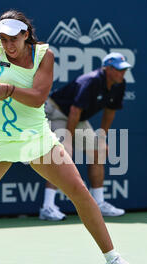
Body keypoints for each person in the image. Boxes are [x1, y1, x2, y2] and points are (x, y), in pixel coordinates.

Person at [0, 10, 137, 264]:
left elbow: (38, 98)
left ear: (26, 35)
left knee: (79, 190)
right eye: (3, 39)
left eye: (13, 39)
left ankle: (112, 259)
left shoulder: (45, 55)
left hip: (35, 137)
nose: (8, 46)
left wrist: (7, 89)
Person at [39, 52, 132, 221]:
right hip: (57, 112)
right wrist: (67, 138)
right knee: (62, 155)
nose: (122, 73)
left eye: (124, 70)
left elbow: (110, 111)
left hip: (77, 117)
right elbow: (75, 110)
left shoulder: (120, 84)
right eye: (118, 70)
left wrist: (102, 137)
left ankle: (99, 203)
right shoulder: (92, 80)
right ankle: (47, 206)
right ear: (107, 69)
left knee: (98, 152)